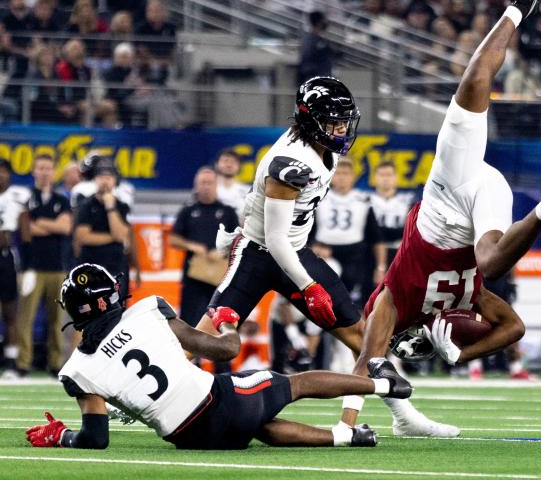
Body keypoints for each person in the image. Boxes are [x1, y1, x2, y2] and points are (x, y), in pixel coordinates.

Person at [339, 0, 541, 437]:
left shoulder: (392, 302)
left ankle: (517, 7)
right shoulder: (455, 303)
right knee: (487, 262)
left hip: (446, 192)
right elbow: (513, 327)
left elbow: (366, 359)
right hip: (475, 215)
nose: (404, 342)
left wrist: (347, 426)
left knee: (473, 85)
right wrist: (457, 354)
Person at [197, 76, 439, 436]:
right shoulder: (290, 162)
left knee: (361, 335)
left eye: (344, 120)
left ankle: (403, 415)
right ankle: (145, 388)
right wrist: (310, 286)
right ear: (310, 121)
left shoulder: (324, 148)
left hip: (294, 250)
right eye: (333, 121)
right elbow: (276, 240)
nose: (341, 129)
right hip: (261, 254)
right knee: (207, 337)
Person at [25, 263, 411, 450]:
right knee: (295, 383)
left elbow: (95, 438)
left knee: (257, 424)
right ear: (109, 297)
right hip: (221, 401)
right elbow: (226, 349)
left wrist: (62, 436)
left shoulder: (76, 371)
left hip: (189, 438)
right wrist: (227, 320)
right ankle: (382, 382)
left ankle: (348, 436)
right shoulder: (148, 310)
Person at [15, 155, 71, 377]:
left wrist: (41, 224)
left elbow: (65, 227)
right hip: (31, 267)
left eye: (49, 168)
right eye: (41, 168)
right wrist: (52, 225)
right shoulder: (25, 198)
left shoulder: (62, 199)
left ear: (54, 171)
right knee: (25, 318)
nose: (45, 172)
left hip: (57, 267)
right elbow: (26, 229)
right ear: (34, 171)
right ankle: (23, 363)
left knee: (57, 320)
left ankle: (55, 363)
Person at [169, 167, 239, 327]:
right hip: (194, 276)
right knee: (189, 321)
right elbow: (173, 239)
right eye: (203, 182)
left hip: (220, 277)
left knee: (219, 321)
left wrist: (222, 251)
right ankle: (188, 352)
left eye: (210, 182)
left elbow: (239, 238)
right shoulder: (188, 210)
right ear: (196, 185)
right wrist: (192, 245)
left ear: (216, 185)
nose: (206, 186)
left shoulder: (228, 212)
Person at [312, 157, 385, 308]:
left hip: (355, 256)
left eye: (346, 173)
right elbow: (305, 231)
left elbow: (376, 239)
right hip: (325, 252)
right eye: (338, 173)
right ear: (332, 176)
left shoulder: (364, 200)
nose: (342, 177)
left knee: (352, 302)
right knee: (323, 299)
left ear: (353, 176)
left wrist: (380, 267)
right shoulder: (319, 197)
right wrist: (313, 247)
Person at [73, 160, 132, 299]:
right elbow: (83, 237)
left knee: (116, 310)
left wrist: (110, 207)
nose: (105, 181)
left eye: (109, 178)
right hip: (91, 268)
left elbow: (123, 236)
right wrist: (112, 237)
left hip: (116, 267)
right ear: (95, 180)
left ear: (115, 181)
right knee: (90, 309)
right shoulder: (86, 205)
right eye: (101, 177)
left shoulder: (122, 206)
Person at [0, 158, 28, 374]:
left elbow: (26, 234)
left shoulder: (19, 196)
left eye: (3, 171)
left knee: (10, 312)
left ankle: (10, 362)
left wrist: (28, 266)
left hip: (7, 257)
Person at [369, 161, 414, 268]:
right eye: (381, 175)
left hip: (398, 252)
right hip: (371, 253)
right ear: (374, 178)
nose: (385, 179)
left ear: (396, 178)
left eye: (389, 175)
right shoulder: (365, 201)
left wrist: (379, 232)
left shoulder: (408, 202)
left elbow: (409, 232)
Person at [298, 11, 334, 83]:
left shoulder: (322, 39)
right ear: (319, 22)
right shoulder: (309, 39)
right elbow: (307, 56)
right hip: (313, 77)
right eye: (323, 20)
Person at [214, 149, 249, 220]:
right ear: (216, 165)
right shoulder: (209, 190)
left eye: (233, 162)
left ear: (239, 167)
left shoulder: (248, 191)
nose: (229, 165)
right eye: (225, 161)